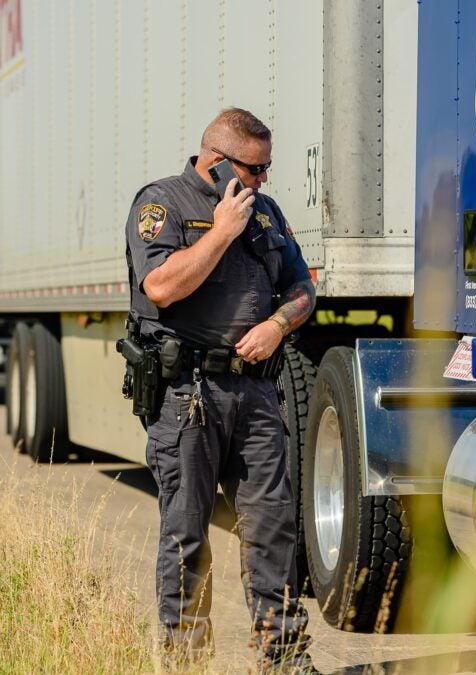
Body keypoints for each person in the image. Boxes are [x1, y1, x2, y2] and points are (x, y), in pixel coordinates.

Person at [124, 107, 317, 670]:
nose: (262, 181)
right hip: (188, 394)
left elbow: (302, 287)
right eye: (254, 170)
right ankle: (186, 659)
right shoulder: (162, 204)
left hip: (254, 394)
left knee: (272, 528)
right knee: (186, 534)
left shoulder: (266, 212)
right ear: (215, 162)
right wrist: (223, 232)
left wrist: (278, 325)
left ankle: (282, 657)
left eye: (267, 169)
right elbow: (160, 286)